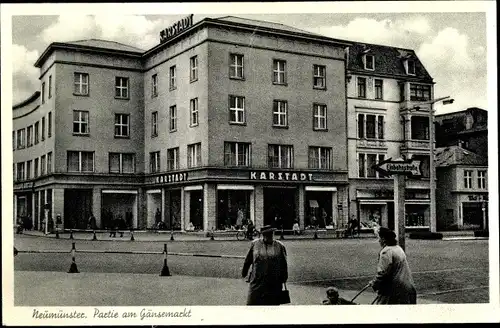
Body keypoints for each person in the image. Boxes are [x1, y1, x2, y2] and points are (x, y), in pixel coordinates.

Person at [369, 227, 417, 304]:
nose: (378, 241)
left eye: (379, 238)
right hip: (408, 288)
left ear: (384, 239)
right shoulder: (398, 248)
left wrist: (374, 283)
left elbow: (383, 273)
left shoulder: (386, 252)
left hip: (394, 291)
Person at [242, 225, 288, 305]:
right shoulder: (255, 244)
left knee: (272, 306)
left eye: (271, 233)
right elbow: (248, 259)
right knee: (253, 304)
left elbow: (283, 263)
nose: (269, 236)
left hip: (274, 282)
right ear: (263, 235)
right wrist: (244, 272)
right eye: (267, 234)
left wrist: (284, 277)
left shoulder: (279, 246)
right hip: (257, 281)